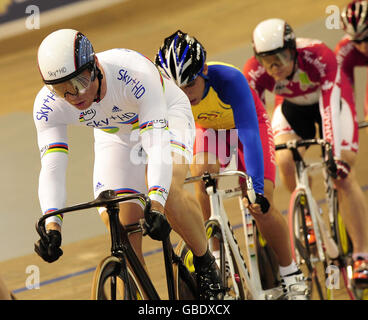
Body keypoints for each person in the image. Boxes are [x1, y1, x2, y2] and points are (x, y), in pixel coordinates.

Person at [33, 29, 223, 300]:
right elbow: (52, 166)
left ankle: (206, 265)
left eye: (81, 82)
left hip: (166, 117)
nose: (74, 96)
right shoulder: (47, 105)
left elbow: (157, 145)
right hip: (116, 135)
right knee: (120, 224)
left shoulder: (133, 73)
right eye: (62, 89)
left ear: (96, 67)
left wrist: (156, 203)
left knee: (167, 192)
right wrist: (53, 225)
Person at [155, 30, 309, 299]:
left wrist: (256, 188)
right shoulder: (168, 93)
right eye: (177, 89)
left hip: (246, 127)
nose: (184, 94)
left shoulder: (229, 79)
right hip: (210, 131)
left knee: (261, 205)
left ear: (202, 71)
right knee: (200, 173)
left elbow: (250, 134)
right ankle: (215, 250)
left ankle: (290, 272)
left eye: (189, 84)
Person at [243, 18, 368, 288]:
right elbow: (256, 120)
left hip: (330, 102)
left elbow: (330, 109)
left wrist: (334, 154)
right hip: (291, 108)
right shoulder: (253, 72)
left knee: (342, 175)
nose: (275, 67)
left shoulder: (318, 55)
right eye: (267, 61)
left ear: (294, 50)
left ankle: (362, 255)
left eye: (281, 57)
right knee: (284, 158)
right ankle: (307, 216)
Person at [336, 0, 368, 122]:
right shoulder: (344, 52)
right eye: (357, 42)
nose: (364, 48)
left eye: (367, 38)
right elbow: (344, 95)